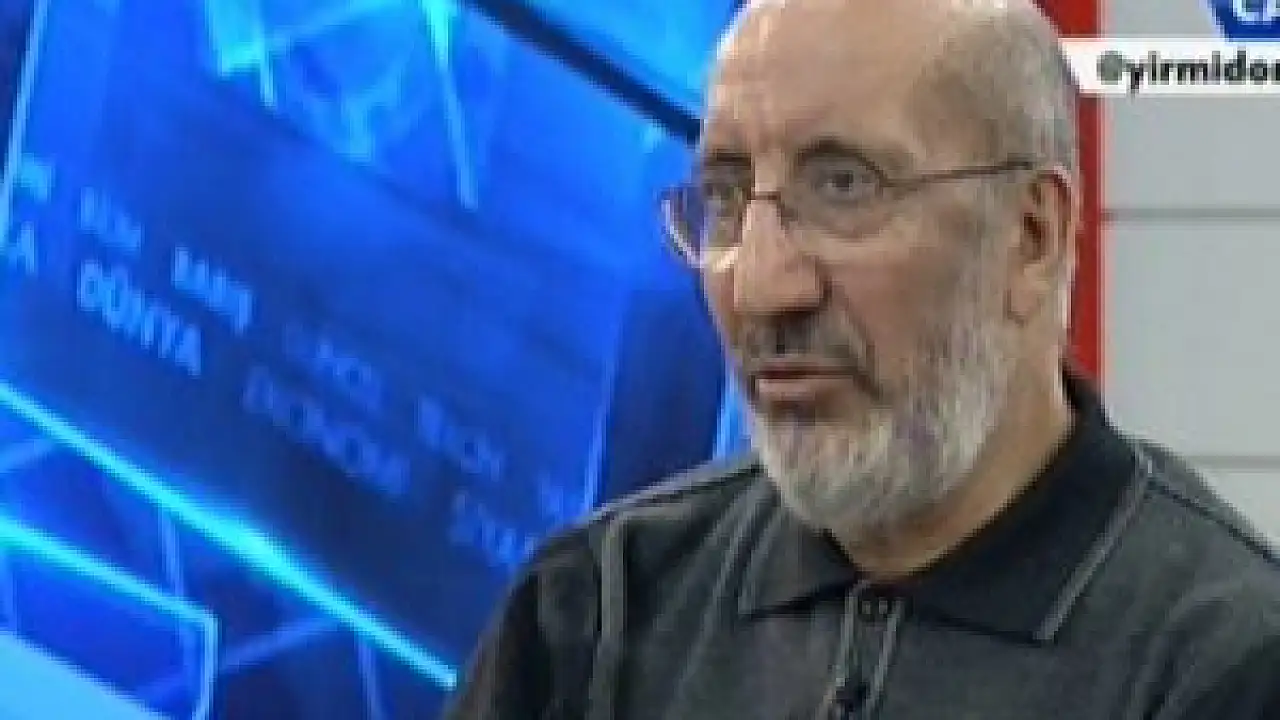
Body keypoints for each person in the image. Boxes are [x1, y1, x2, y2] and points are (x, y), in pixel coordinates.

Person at [444, 0, 1280, 717]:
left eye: (844, 186)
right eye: (727, 198)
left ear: (1030, 237)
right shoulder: (595, 612)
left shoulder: (1226, 663)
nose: (761, 285)